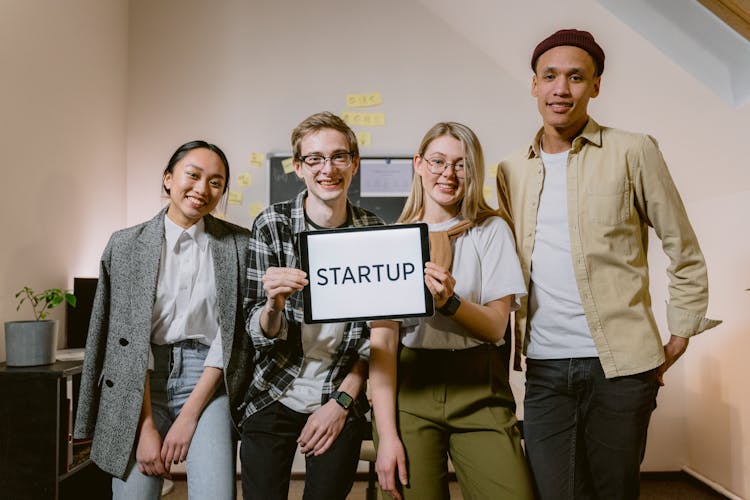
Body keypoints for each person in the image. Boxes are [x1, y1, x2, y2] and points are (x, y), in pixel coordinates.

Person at [496, 29, 721, 500]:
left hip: (621, 368)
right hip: (544, 366)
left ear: (595, 85)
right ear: (533, 85)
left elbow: (683, 248)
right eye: (550, 76)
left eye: (576, 77)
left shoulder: (633, 151)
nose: (562, 89)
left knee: (614, 492)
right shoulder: (510, 168)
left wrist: (679, 335)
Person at [74, 141, 252, 499]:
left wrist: (189, 416)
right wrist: (145, 428)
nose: (203, 189)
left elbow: (232, 335)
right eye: (193, 175)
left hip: (208, 381)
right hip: (139, 383)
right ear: (169, 179)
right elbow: (120, 340)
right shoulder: (125, 246)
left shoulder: (239, 245)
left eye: (216, 182)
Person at [239, 111, 399, 500]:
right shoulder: (271, 225)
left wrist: (342, 402)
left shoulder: (375, 233)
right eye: (314, 159)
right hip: (272, 388)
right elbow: (256, 333)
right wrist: (273, 304)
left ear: (354, 163)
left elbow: (376, 339)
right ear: (298, 167)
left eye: (339, 156)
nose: (327, 168)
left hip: (340, 391)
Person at [370, 122, 534, 500]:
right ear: (418, 164)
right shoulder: (390, 241)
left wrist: (450, 303)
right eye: (438, 161)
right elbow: (383, 343)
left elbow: (495, 327)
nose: (448, 174)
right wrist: (387, 435)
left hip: (479, 388)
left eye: (461, 165)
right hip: (411, 391)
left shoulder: (491, 230)